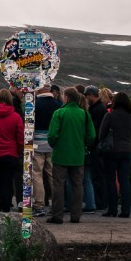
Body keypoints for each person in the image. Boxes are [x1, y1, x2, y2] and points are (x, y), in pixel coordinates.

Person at [47, 87, 95, 225]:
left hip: (60, 155)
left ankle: (57, 215)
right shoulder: (84, 114)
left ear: (66, 98)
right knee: (77, 186)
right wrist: (83, 144)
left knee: (58, 185)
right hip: (78, 155)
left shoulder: (59, 113)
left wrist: (54, 144)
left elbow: (52, 135)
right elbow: (91, 135)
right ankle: (76, 215)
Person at [97, 92, 131, 218]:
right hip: (127, 150)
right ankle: (126, 210)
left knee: (111, 180)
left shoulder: (110, 115)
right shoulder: (129, 116)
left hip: (112, 151)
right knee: (124, 180)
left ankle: (112, 209)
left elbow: (101, 134)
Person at [32, 84, 61, 217]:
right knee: (52, 174)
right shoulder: (58, 105)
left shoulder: (34, 104)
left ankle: (39, 205)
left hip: (37, 143)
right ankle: (57, 204)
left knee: (37, 174)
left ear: (40, 89)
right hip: (53, 144)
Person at [84, 86, 107, 212]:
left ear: (91, 95)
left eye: (87, 96)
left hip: (96, 147)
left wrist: (91, 143)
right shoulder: (99, 108)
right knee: (98, 175)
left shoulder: (97, 110)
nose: (87, 98)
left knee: (97, 176)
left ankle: (100, 201)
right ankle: (100, 201)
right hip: (98, 146)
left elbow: (95, 130)